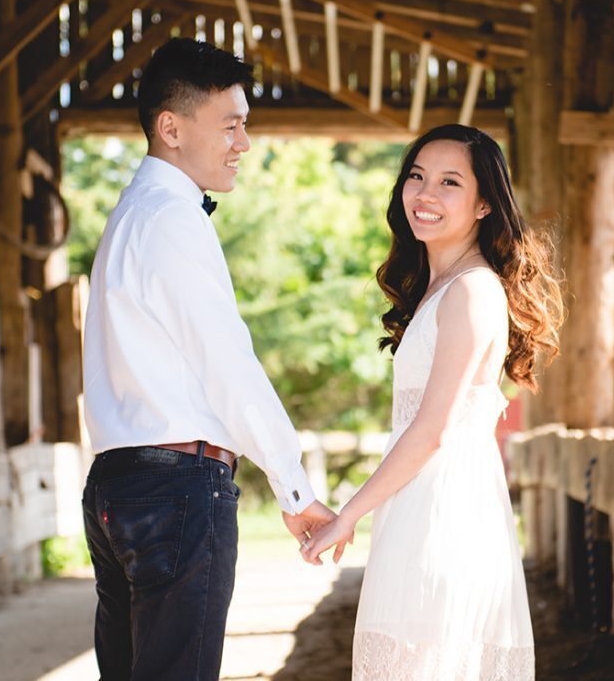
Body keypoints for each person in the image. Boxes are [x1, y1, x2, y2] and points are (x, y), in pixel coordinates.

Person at [81, 38, 335, 681]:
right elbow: (228, 367)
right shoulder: (171, 218)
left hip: (118, 483)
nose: (244, 143)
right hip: (175, 490)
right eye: (230, 125)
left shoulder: (130, 215)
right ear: (171, 129)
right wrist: (293, 487)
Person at [301, 124, 564, 680]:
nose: (425, 194)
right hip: (420, 507)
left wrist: (347, 515)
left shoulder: (472, 291)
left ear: (484, 204)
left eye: (450, 182)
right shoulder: (441, 288)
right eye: (417, 176)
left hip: (446, 515)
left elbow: (432, 430)